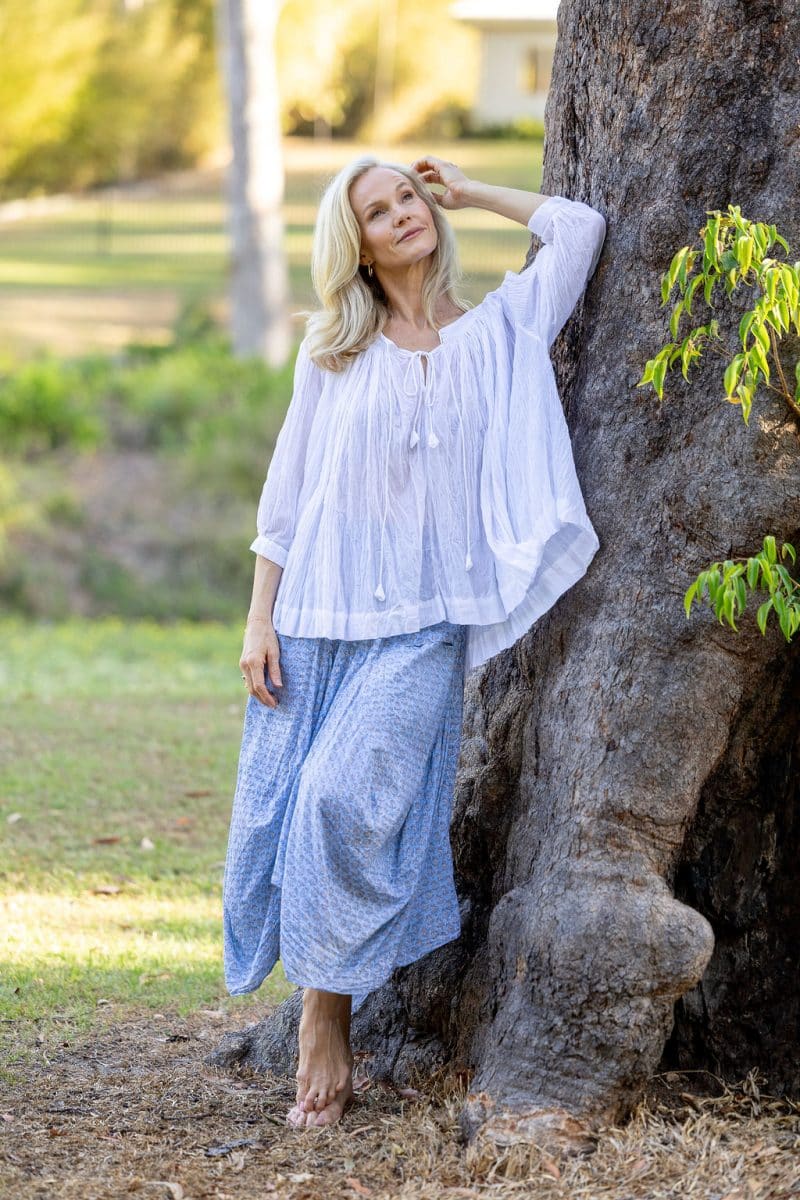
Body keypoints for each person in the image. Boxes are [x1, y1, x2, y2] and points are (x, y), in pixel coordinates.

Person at [221, 153, 607, 1129]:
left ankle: (322, 1012)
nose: (401, 216)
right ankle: (324, 1005)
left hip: (424, 626)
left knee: (336, 797)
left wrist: (470, 190)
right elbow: (286, 495)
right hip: (316, 617)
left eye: (406, 198)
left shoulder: (497, 333)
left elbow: (578, 230)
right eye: (379, 210)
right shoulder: (335, 348)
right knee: (291, 809)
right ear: (352, 242)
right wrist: (258, 616)